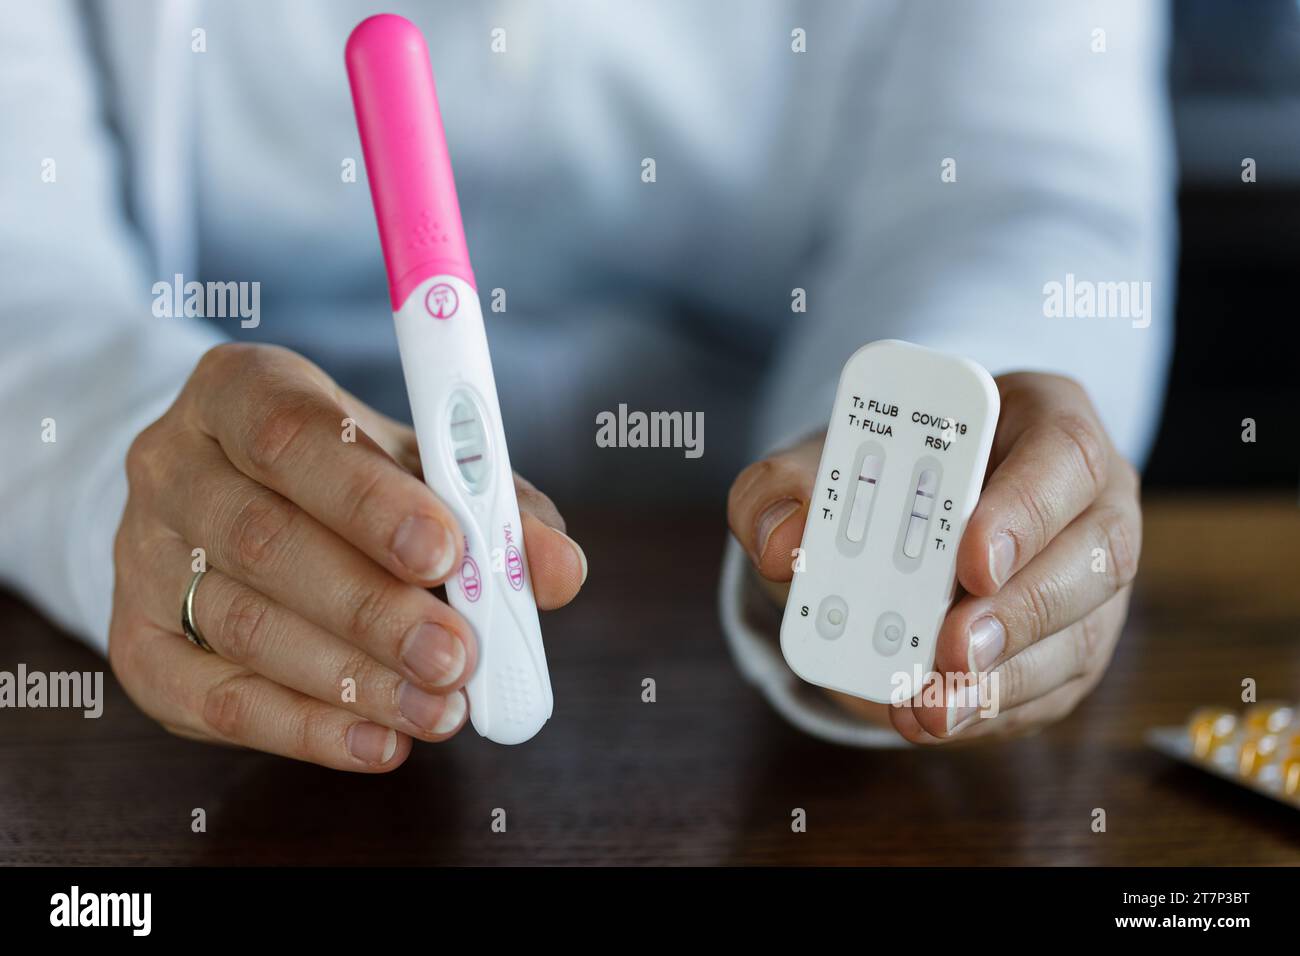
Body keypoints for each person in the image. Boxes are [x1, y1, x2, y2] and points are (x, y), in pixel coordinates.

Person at [0, 0, 1172, 767]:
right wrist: (135, 477)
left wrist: (917, 493)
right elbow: (23, 268)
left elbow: (1019, 183)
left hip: (745, 561)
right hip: (263, 648)